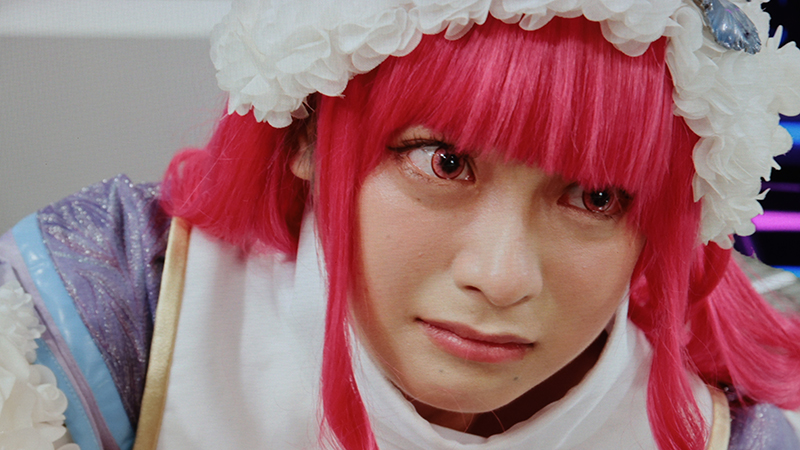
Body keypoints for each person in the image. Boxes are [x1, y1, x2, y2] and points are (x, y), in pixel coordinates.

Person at [2, 0, 800, 449]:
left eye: (596, 197)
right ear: (305, 131)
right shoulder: (114, 309)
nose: (501, 276)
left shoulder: (733, 432)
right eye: (444, 163)